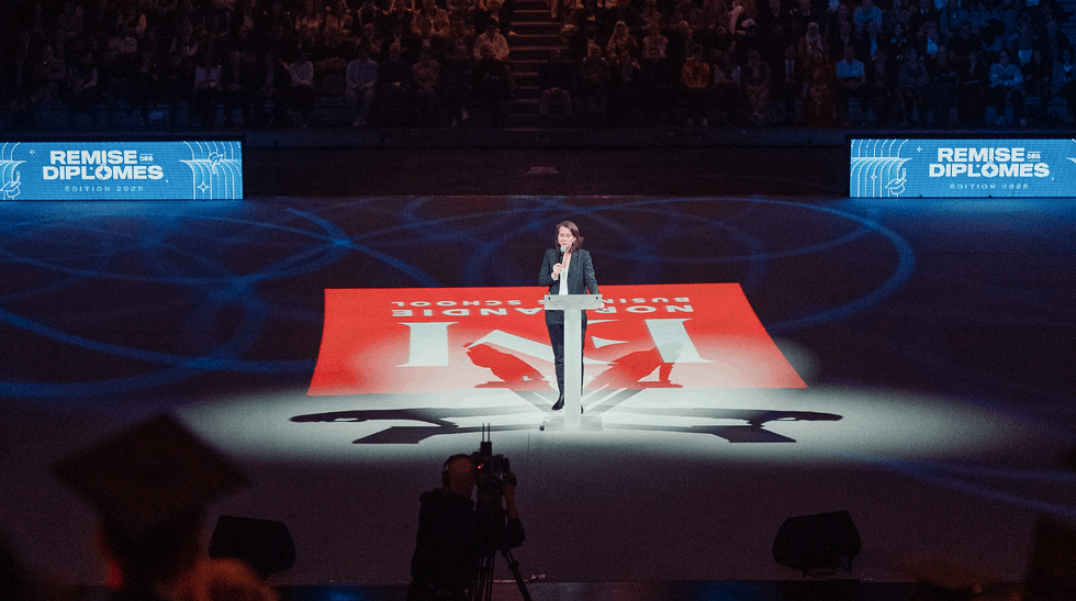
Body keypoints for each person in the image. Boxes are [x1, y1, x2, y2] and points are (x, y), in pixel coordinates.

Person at [407, 454, 523, 601]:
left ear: (446, 478)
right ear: (473, 481)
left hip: (419, 594)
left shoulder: (430, 505)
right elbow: (515, 537)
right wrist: (509, 497)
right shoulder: (474, 524)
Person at [538, 221, 601, 411]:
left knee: (575, 357)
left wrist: (597, 297)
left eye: (567, 235)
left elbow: (590, 278)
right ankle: (563, 394)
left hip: (575, 312)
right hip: (555, 312)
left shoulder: (583, 256)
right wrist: (554, 274)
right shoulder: (551, 255)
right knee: (560, 356)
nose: (563, 238)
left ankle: (576, 399)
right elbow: (542, 280)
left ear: (575, 237)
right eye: (561, 235)